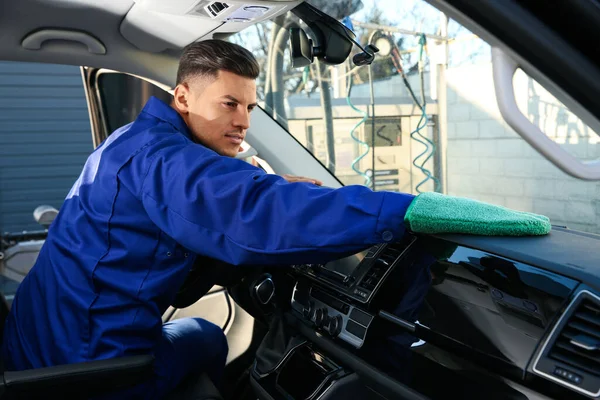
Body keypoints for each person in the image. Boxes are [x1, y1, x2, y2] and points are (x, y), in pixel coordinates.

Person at [0, 39, 416, 399]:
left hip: (37, 348)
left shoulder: (133, 140)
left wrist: (256, 178)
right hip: (92, 370)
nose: (243, 121)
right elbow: (260, 213)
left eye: (250, 107)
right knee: (208, 336)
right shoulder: (165, 160)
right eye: (229, 104)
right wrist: (406, 210)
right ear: (183, 98)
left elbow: (210, 190)